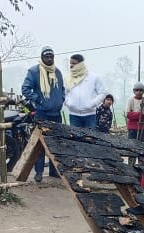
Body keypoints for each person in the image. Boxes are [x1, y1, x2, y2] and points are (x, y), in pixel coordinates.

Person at [21, 46, 65, 181]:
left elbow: (62, 89)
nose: (49, 59)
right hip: (42, 113)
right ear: (42, 57)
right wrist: (38, 99)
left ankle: (54, 171)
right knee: (40, 144)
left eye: (51, 56)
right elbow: (25, 89)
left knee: (55, 144)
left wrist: (61, 99)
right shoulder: (34, 71)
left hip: (56, 114)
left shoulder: (57, 72)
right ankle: (39, 173)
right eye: (47, 56)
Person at [63, 54, 106, 129]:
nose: (71, 65)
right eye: (70, 63)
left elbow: (102, 93)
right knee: (74, 136)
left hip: (90, 115)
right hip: (74, 115)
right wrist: (69, 103)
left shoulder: (94, 77)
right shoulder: (67, 78)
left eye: (74, 63)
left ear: (81, 64)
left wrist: (92, 104)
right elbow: (63, 93)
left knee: (90, 136)